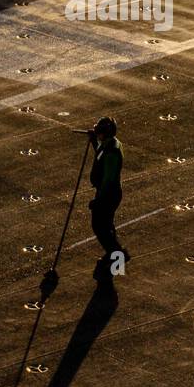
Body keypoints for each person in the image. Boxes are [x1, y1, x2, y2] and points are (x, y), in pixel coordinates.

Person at [87, 116, 128, 275]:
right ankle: (115, 257)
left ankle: (117, 255)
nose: (98, 134)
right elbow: (100, 152)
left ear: (105, 133)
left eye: (99, 132)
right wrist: (93, 141)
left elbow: (108, 180)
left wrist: (98, 200)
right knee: (107, 225)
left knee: (99, 226)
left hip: (108, 194)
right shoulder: (109, 144)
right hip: (110, 193)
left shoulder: (111, 152)